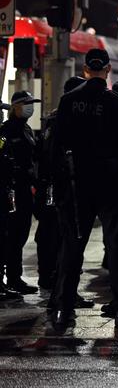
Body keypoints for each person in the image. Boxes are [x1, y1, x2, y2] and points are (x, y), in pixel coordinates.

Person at [48, 49, 118, 332]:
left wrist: (60, 184)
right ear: (108, 69)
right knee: (117, 247)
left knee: (72, 247)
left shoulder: (69, 101)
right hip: (110, 183)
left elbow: (56, 148)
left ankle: (63, 309)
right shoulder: (116, 103)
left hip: (77, 183)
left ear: (84, 69)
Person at [34, 77, 86, 293]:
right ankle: (59, 285)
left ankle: (51, 280)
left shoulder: (53, 119)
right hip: (61, 188)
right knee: (60, 236)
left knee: (50, 234)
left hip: (51, 186)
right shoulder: (65, 120)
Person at [0, 91, 40, 295]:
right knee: (9, 234)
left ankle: (15, 278)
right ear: (15, 106)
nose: (30, 107)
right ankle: (5, 279)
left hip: (25, 189)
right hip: (10, 189)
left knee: (21, 234)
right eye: (26, 103)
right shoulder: (6, 131)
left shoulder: (26, 129)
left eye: (31, 103)